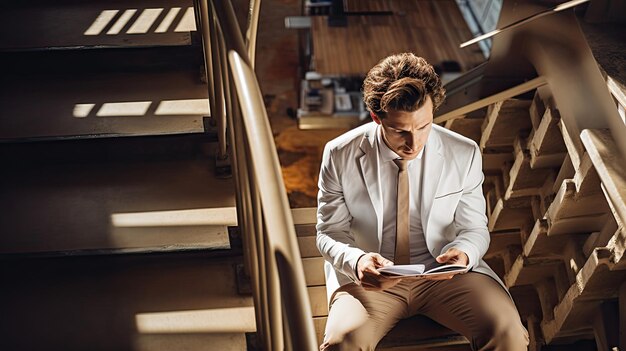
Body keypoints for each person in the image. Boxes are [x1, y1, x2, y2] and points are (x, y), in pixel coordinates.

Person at [316, 53, 529, 350]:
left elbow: (475, 229)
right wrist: (358, 261)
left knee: (507, 333)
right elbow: (328, 232)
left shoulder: (463, 153)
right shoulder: (339, 154)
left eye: (424, 126)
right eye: (399, 130)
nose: (413, 143)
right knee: (343, 345)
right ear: (376, 118)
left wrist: (465, 253)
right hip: (372, 284)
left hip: (447, 279)